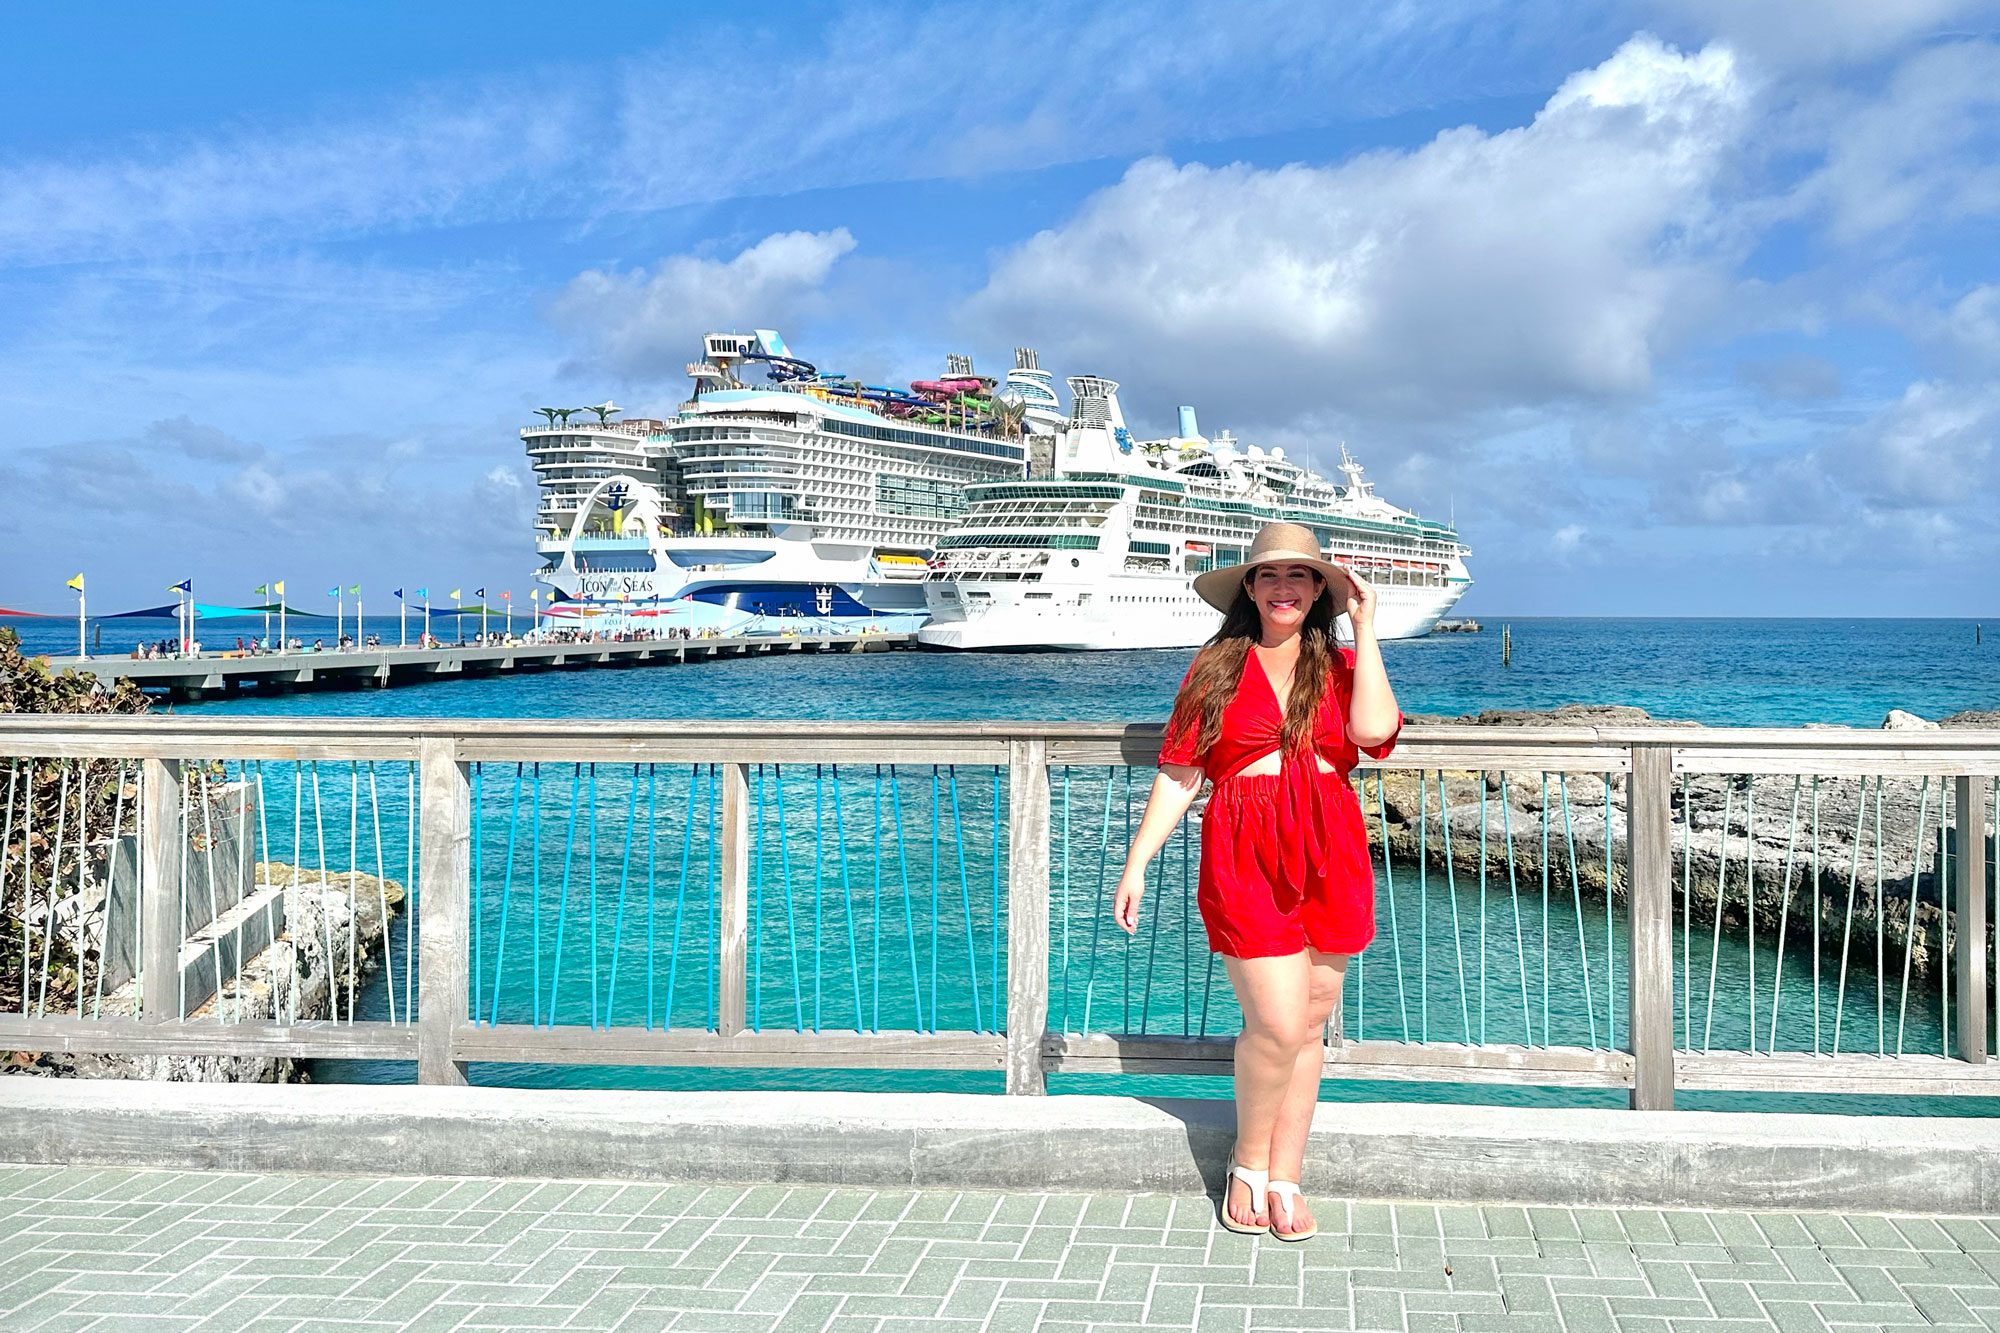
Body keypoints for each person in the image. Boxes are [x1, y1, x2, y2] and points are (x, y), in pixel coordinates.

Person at [1113, 521, 1402, 1242]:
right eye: (1270, 576)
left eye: (1300, 577)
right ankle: (1248, 1159)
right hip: (1244, 847)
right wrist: (1138, 859)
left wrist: (1366, 632)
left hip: (1330, 843)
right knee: (1275, 1021)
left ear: (1320, 592)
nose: (1284, 588)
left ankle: (1286, 1174)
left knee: (1308, 1024)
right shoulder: (1216, 664)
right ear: (1248, 586)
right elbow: (1182, 771)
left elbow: (1372, 732)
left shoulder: (1336, 665)